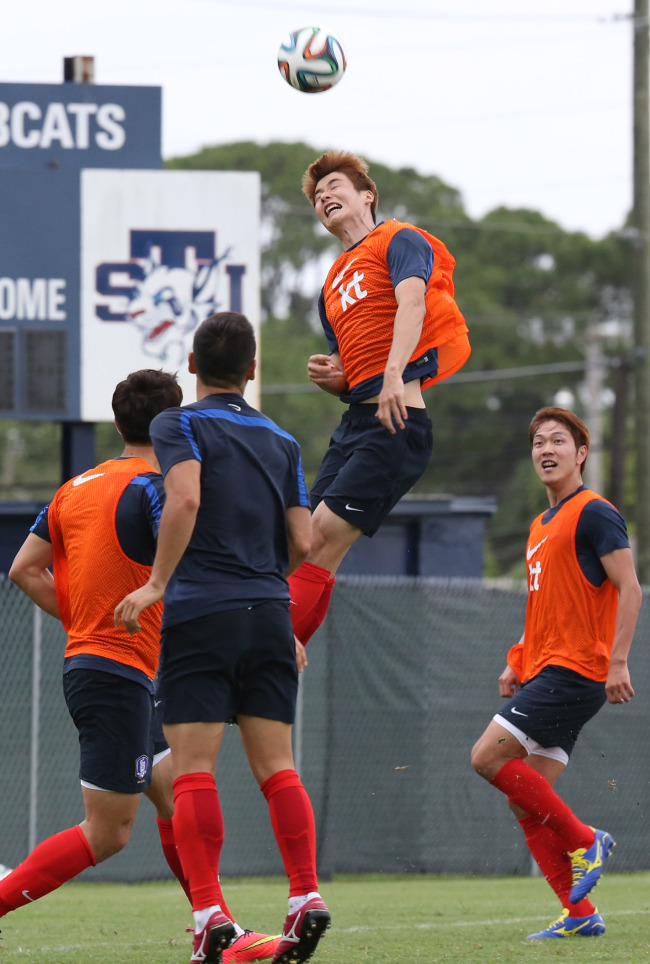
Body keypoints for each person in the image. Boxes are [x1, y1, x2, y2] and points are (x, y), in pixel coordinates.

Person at [7, 369, 276, 964]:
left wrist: (84, 622)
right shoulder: (157, 488)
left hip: (110, 668)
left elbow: (24, 569)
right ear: (170, 425)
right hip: (115, 674)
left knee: (181, 796)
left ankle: (217, 932)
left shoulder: (75, 487)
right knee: (108, 834)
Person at [114, 312, 329, 964]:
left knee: (194, 771)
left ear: (191, 365)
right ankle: (305, 896)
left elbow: (183, 499)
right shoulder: (283, 441)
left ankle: (209, 913)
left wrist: (155, 584)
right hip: (270, 613)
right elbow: (305, 541)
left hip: (201, 612)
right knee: (278, 768)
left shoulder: (175, 423)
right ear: (254, 370)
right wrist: (264, 590)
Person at [286, 150, 471, 645]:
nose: (325, 196)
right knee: (303, 544)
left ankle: (267, 660)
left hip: (397, 422)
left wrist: (394, 372)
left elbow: (412, 302)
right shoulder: (330, 284)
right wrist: (335, 378)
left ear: (367, 195)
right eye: (318, 195)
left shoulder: (398, 239)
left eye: (335, 187)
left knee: (320, 538)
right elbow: (351, 370)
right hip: (357, 423)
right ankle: (280, 661)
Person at [471, 406, 642, 940]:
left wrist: (617, 661)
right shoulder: (539, 526)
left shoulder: (595, 512)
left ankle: (586, 839)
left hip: (576, 671)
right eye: (538, 442)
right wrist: (516, 658)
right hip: (548, 666)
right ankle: (580, 916)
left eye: (558, 441)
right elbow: (547, 607)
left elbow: (631, 588)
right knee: (526, 798)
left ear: (581, 453)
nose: (546, 450)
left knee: (486, 757)